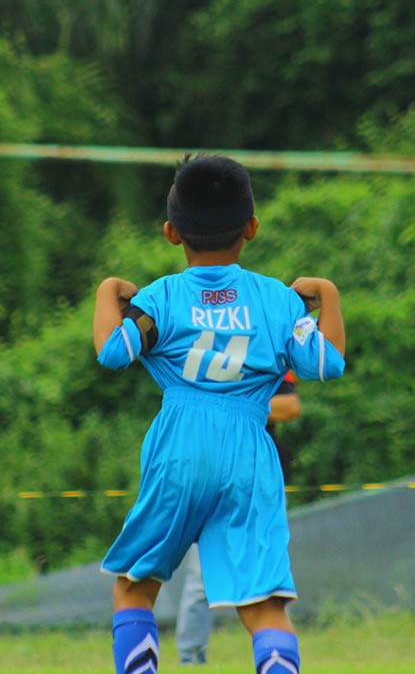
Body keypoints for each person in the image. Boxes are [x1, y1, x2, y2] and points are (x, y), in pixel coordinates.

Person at [93, 154, 345, 674]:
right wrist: (329, 297)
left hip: (180, 445)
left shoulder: (160, 299)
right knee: (264, 604)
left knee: (135, 588)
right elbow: (328, 363)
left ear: (170, 232)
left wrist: (106, 292)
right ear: (251, 227)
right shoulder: (277, 301)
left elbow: (113, 352)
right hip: (251, 449)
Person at [175, 372, 301, 665]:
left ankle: (279, 659)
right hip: (206, 473)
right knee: (200, 575)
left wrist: (235, 405)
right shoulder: (194, 340)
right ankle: (190, 659)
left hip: (257, 476)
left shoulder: (267, 340)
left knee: (271, 577)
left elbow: (290, 406)